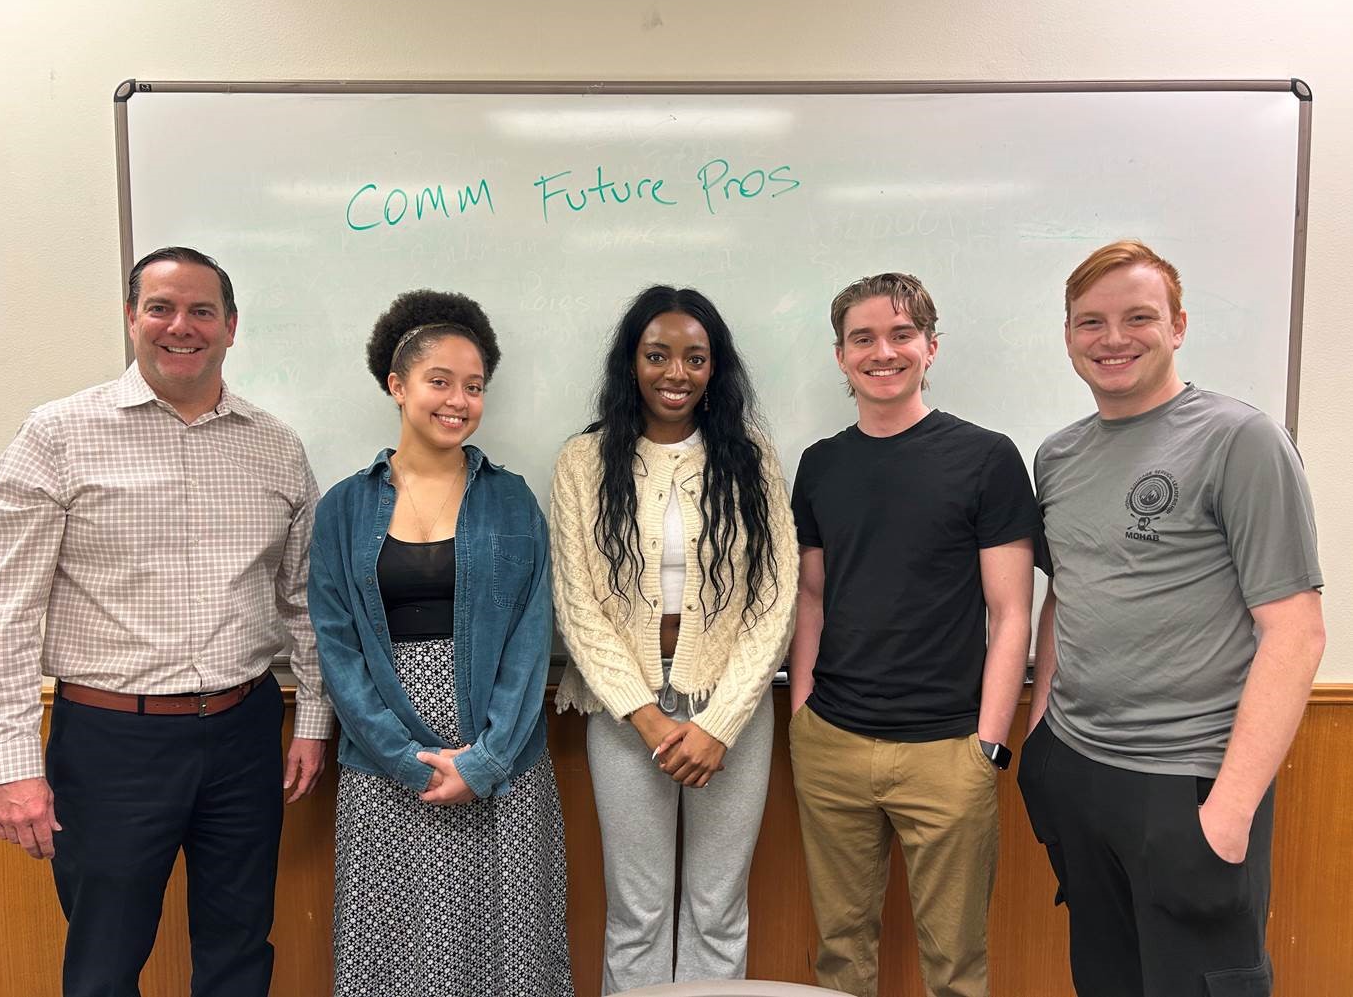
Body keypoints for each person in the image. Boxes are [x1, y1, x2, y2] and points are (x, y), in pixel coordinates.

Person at [0, 247, 331, 997]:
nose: (182, 326)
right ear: (132, 317)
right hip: (111, 743)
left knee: (239, 949)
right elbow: (2, 608)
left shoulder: (276, 445)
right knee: (105, 962)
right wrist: (10, 763)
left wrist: (313, 719)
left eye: (203, 310)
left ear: (231, 327)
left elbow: (305, 596)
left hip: (244, 730)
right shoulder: (58, 434)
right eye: (162, 307)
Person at [1018, 240, 1325, 997]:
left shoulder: (1238, 440)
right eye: (1089, 321)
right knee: (1105, 979)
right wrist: (1038, 740)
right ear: (1066, 336)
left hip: (1187, 782)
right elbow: (1066, 595)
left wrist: (1228, 810)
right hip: (1078, 773)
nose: (1111, 338)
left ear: (1178, 325)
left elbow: (1294, 628)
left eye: (1137, 317)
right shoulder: (1056, 456)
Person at [308, 290, 572, 997]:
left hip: (503, 762)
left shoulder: (512, 499)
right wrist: (405, 759)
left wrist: (485, 759)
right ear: (397, 386)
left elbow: (529, 635)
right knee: (392, 957)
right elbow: (336, 644)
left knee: (510, 958)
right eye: (440, 381)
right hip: (384, 764)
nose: (459, 400)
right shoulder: (343, 506)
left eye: (475, 386)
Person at [787, 272, 1038, 997]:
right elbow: (812, 596)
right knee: (839, 954)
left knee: (954, 963)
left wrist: (987, 744)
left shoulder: (986, 458)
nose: (882, 351)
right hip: (831, 741)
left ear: (930, 346)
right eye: (862, 338)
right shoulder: (821, 463)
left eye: (900, 334)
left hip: (947, 750)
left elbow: (1010, 612)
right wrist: (803, 711)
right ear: (840, 356)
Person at [551, 285, 798, 992]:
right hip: (626, 715)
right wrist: (648, 716)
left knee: (717, 908)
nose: (675, 372)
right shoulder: (583, 461)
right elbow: (577, 604)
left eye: (694, 357)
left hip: (733, 711)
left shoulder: (751, 458)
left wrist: (717, 721)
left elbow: (774, 599)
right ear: (630, 363)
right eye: (656, 355)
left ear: (714, 368)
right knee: (637, 910)